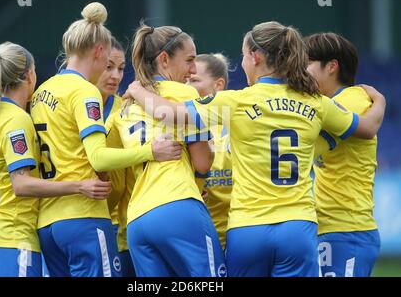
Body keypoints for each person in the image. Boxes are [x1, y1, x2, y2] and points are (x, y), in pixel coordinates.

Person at [123, 21, 386, 277]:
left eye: (244, 55)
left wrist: (136, 88)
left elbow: (169, 113)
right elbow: (367, 128)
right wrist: (380, 102)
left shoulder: (235, 101)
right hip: (298, 225)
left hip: (248, 228)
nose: (243, 63)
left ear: (255, 56)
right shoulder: (316, 102)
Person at [29, 3, 182, 277]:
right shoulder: (84, 91)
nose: (111, 73)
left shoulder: (41, 91)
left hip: (48, 223)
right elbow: (98, 157)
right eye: (108, 64)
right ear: (99, 52)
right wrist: (150, 151)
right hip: (83, 216)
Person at [0, 42, 111, 277]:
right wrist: (79, 185)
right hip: (11, 235)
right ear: (28, 75)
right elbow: (21, 184)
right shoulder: (17, 120)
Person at [111, 23, 226, 277]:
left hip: (138, 219)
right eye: (189, 60)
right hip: (178, 205)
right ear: (164, 59)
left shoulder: (124, 106)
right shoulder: (184, 93)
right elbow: (203, 163)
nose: (193, 69)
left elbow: (107, 164)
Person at [305, 32, 380, 277]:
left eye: (307, 63)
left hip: (348, 229)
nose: (302, 71)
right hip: (329, 227)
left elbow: (302, 148)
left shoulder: (352, 101)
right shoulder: (328, 104)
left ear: (332, 66)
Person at [95, 36, 136, 277]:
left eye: (121, 69)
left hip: (119, 226)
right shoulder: (70, 105)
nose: (116, 76)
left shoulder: (127, 108)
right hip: (76, 216)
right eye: (108, 67)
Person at [188, 53, 232, 249]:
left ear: (218, 85)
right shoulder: (183, 127)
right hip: (198, 238)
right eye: (186, 80)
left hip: (239, 235)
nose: (187, 86)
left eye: (194, 80)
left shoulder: (236, 124)